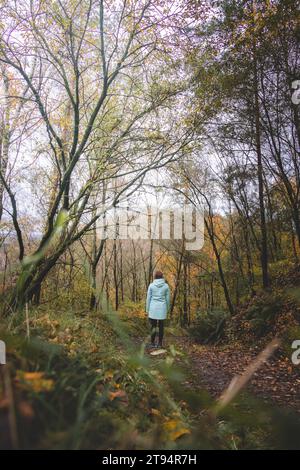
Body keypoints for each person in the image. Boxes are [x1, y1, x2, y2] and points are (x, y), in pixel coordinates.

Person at [146, 271, 170, 348]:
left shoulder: (151, 285)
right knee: (161, 327)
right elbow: (168, 299)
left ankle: (152, 343)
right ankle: (159, 344)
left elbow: (148, 298)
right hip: (162, 308)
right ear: (162, 277)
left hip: (153, 308)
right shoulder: (166, 286)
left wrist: (147, 309)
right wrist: (168, 309)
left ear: (155, 277)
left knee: (153, 327)